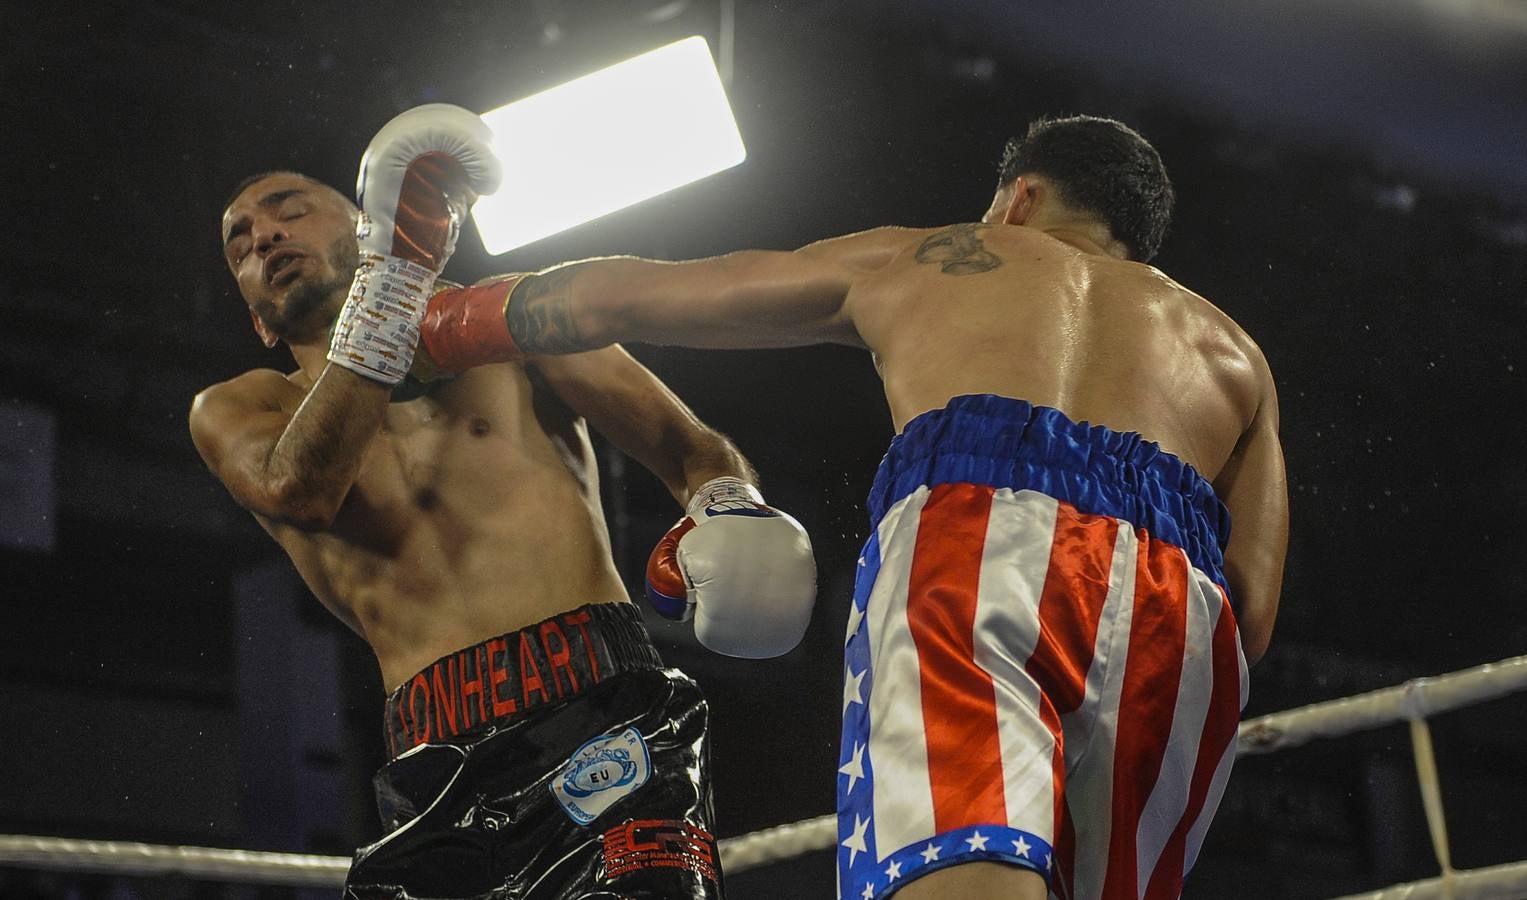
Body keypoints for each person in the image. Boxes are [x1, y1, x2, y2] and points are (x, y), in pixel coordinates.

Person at [409, 114, 1289, 900]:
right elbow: (1249, 613)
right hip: (1180, 616)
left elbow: (639, 295)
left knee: (957, 864)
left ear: (1019, 197)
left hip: (984, 536)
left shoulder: (936, 255)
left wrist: (451, 320)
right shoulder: (1234, 355)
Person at [190, 105, 816, 899]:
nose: (264, 237)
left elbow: (686, 444)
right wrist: (391, 288)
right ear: (257, 321)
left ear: (368, 222)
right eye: (240, 242)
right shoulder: (236, 408)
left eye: (289, 211)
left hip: (598, 701)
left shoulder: (508, 320)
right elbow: (303, 488)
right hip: (431, 750)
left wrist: (727, 502)